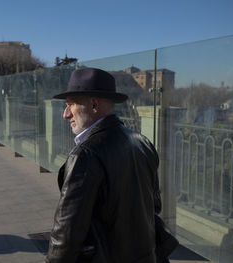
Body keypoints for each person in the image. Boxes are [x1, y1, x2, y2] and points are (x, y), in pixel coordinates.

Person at [47, 68, 173, 263]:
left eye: (70, 104)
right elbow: (154, 205)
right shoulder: (141, 142)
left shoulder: (85, 155)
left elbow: (66, 233)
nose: (65, 114)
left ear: (94, 104)